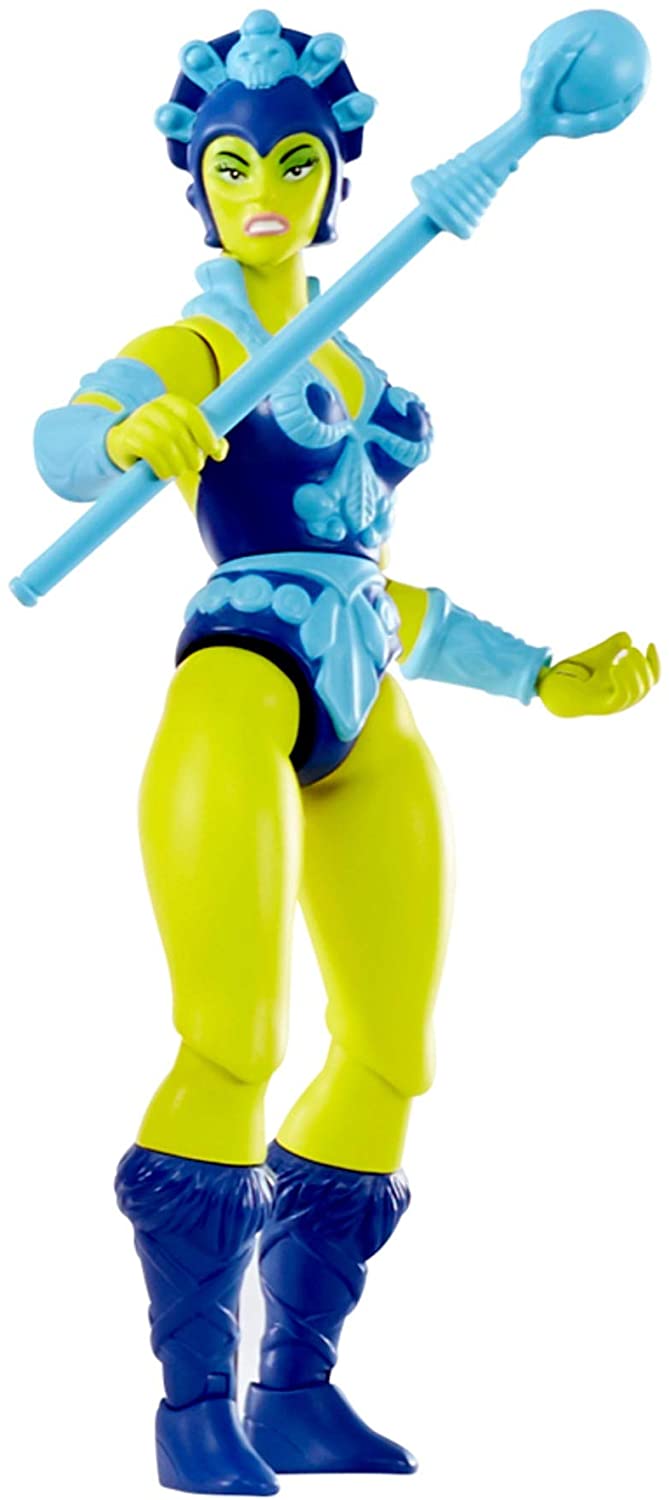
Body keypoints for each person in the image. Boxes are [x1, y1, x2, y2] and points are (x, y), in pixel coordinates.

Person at [33, 11, 659, 1495]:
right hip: (241, 685)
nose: (263, 190)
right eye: (233, 164)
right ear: (198, 180)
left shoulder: (363, 372)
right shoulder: (200, 345)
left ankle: (296, 1388)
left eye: (295, 164)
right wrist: (129, 437)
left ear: (333, 180)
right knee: (232, 1037)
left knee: (387, 1055)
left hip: (364, 686)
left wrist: (538, 677)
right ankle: (191, 1415)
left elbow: (379, 592)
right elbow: (64, 440)